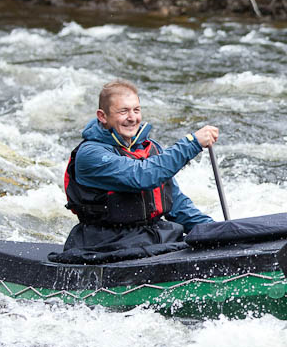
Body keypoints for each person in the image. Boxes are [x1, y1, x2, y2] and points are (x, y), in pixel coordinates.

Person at [58, 79, 219, 256]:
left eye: (136, 110)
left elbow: (176, 204)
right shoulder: (90, 155)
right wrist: (192, 143)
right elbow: (141, 176)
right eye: (123, 111)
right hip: (106, 246)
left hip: (153, 238)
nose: (132, 118)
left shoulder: (150, 149)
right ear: (102, 116)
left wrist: (216, 232)